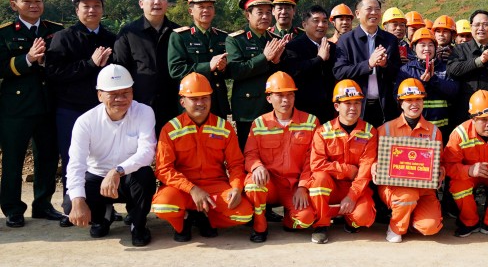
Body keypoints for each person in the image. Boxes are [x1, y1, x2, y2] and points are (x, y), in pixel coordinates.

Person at [152, 73, 254, 241]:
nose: (200, 103)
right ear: (182, 101)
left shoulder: (224, 127)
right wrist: (192, 189)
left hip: (214, 187)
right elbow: (163, 169)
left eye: (205, 98)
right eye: (194, 99)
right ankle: (182, 222)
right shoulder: (170, 129)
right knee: (163, 206)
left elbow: (236, 164)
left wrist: (236, 188)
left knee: (243, 214)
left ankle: (206, 218)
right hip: (182, 189)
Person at [46, 0, 116, 221]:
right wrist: (90, 64)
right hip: (71, 110)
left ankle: (107, 207)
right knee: (72, 158)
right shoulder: (63, 38)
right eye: (86, 5)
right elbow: (54, 73)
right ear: (77, 9)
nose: (92, 10)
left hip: (104, 112)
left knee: (105, 157)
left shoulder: (111, 38)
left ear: (103, 9)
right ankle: (72, 208)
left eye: (97, 5)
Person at [65, 65, 156, 246]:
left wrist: (117, 171)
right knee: (71, 204)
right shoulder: (85, 122)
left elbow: (147, 152)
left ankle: (138, 224)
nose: (120, 99)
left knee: (145, 176)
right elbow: (76, 164)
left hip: (128, 176)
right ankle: (102, 216)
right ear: (100, 95)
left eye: (126, 92)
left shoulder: (144, 112)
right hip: (98, 178)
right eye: (113, 94)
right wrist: (77, 201)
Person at [0, 0, 64, 228]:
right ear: (14, 4)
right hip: (16, 108)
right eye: (27, 1)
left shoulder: (55, 31)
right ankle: (13, 208)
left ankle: (43, 204)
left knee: (48, 157)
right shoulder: (5, 33)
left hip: (48, 105)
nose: (34, 4)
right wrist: (27, 59)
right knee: (14, 159)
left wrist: (47, 61)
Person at [243, 71, 319, 243]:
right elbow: (250, 154)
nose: (286, 100)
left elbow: (312, 160)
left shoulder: (311, 122)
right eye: (280, 95)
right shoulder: (260, 123)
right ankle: (260, 225)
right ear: (269, 98)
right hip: (269, 183)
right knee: (253, 183)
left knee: (305, 219)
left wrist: (303, 187)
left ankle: (289, 220)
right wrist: (257, 166)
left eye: (290, 95)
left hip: (294, 186)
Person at [304, 79, 378, 244]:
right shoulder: (323, 131)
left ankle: (349, 220)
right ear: (337, 106)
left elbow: (365, 170)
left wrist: (352, 196)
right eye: (348, 103)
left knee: (364, 217)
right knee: (319, 179)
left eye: (357, 103)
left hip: (356, 187)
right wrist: (346, 170)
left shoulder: (369, 132)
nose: (353, 107)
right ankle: (321, 225)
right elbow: (316, 164)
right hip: (331, 185)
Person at [442, 90, 488, 240]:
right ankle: (470, 222)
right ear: (472, 119)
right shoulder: (459, 134)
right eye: (483, 120)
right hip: (470, 173)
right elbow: (449, 165)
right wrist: (469, 170)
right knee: (458, 186)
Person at [377, 79, 444, 243]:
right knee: (408, 195)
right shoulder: (385, 129)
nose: (414, 104)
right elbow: (373, 160)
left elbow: (440, 163)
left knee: (430, 227)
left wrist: (440, 172)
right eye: (409, 100)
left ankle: (410, 219)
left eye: (418, 99)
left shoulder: (435, 132)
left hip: (424, 190)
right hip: (394, 187)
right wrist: (374, 167)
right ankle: (395, 227)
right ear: (400, 103)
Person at [227, 0, 289, 147]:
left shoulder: (275, 38)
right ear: (248, 15)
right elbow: (236, 71)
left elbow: (285, 73)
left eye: (268, 12)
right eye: (260, 12)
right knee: (248, 152)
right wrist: (264, 58)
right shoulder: (235, 40)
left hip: (273, 107)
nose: (265, 16)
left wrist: (276, 63)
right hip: (249, 109)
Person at [113, 0, 180, 134]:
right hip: (138, 106)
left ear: (167, 3)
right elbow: (120, 68)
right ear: (141, 3)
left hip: (172, 105)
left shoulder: (178, 32)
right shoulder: (128, 33)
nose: (157, 2)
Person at [332, 0, 402, 127]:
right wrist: (368, 64)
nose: (374, 13)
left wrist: (385, 64)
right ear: (358, 13)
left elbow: (397, 73)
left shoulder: (390, 40)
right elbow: (339, 72)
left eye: (377, 9)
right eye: (369, 9)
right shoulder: (346, 40)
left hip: (385, 105)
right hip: (357, 105)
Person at [167, 0, 230, 119]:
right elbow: (176, 70)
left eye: (210, 7)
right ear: (191, 11)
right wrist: (208, 66)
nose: (206, 10)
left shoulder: (223, 37)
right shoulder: (180, 37)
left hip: (217, 102)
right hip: (192, 104)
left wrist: (223, 68)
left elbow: (230, 71)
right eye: (201, 7)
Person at [399, 27, 458, 138]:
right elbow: (397, 97)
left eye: (430, 45)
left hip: (442, 129)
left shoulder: (445, 68)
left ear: (436, 48)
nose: (427, 48)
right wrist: (422, 83)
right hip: (415, 128)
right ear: (414, 48)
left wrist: (434, 80)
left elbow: (454, 91)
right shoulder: (405, 70)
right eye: (422, 45)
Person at [283, 5, 336, 123]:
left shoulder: (332, 47)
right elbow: (295, 71)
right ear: (304, 24)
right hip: (304, 110)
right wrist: (319, 59)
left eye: (324, 21)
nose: (321, 25)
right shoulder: (294, 46)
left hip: (328, 110)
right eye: (316, 21)